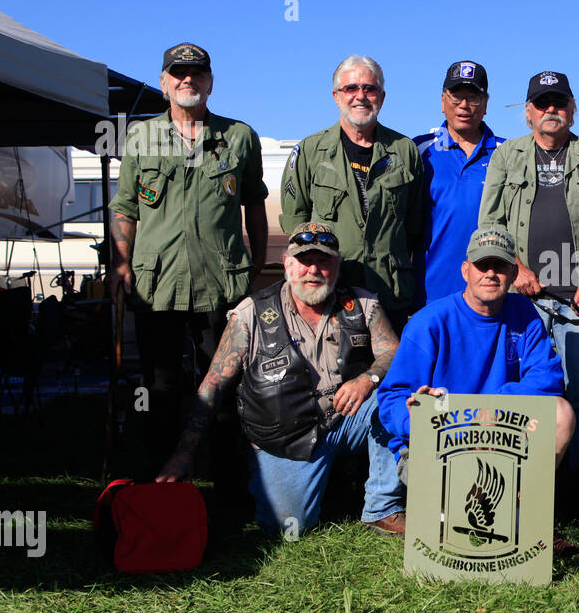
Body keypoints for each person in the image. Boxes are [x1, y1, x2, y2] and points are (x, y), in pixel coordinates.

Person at [157, 223, 405, 537]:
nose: (313, 270)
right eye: (304, 260)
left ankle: (381, 507)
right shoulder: (250, 314)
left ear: (337, 265)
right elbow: (213, 385)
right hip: (286, 434)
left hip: (346, 419)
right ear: (287, 263)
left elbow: (394, 351)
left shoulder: (362, 303)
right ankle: (310, 482)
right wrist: (183, 454)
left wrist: (367, 379)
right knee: (289, 530)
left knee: (394, 401)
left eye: (324, 261)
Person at [108, 42, 268, 501]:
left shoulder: (238, 136)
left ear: (210, 82)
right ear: (164, 82)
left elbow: (253, 204)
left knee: (222, 389)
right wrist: (120, 263)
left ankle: (228, 493)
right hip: (156, 285)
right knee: (158, 388)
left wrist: (255, 267)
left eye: (196, 74)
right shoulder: (140, 138)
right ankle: (160, 489)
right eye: (178, 73)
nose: (187, 81)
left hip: (221, 286)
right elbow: (125, 206)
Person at [477, 71, 579, 511]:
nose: (551, 110)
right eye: (542, 103)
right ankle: (522, 494)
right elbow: (489, 224)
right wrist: (515, 268)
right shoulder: (507, 156)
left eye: (559, 103)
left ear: (574, 110)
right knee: (523, 395)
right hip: (522, 303)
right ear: (528, 111)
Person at [377, 226, 573, 468]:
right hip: (441, 437)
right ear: (465, 271)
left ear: (513, 273)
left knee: (561, 414)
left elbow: (548, 379)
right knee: (458, 495)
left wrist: (488, 413)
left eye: (499, 265)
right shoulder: (428, 323)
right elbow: (391, 398)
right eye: (482, 264)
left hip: (500, 432)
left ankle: (523, 498)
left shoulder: (524, 313)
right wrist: (419, 417)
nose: (490, 273)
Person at [279, 55, 425, 330]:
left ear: (381, 96)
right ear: (336, 96)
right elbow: (294, 226)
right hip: (330, 293)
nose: (361, 96)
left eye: (369, 89)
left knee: (387, 369)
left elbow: (413, 228)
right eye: (351, 88)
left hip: (388, 293)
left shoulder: (405, 151)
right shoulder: (309, 152)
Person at [414, 60, 504, 304]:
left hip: (492, 298)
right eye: (456, 97)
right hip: (430, 296)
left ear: (485, 104)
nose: (464, 105)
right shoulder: (417, 150)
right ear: (443, 101)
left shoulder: (508, 154)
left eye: (473, 98)